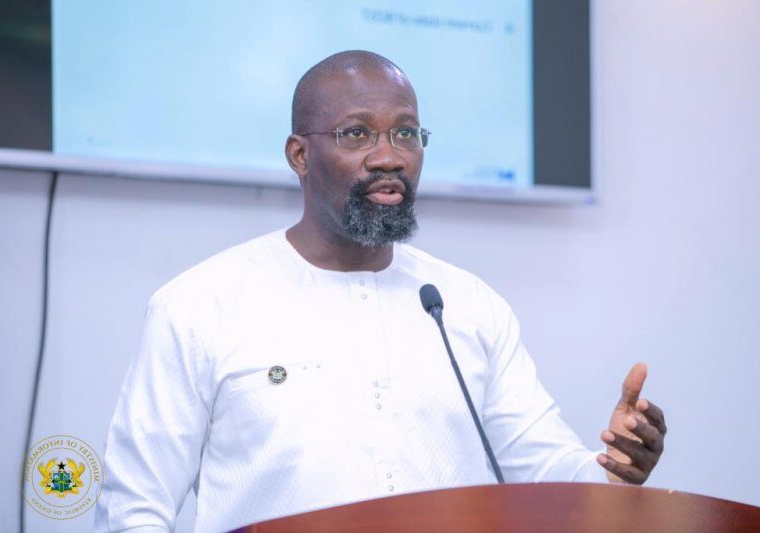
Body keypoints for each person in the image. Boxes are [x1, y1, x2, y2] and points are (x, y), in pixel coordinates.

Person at [95, 50, 666, 532]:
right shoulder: (200, 305)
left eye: (406, 133)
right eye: (357, 134)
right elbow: (132, 509)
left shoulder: (466, 305)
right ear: (300, 155)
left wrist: (614, 470)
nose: (389, 156)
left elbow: (547, 474)